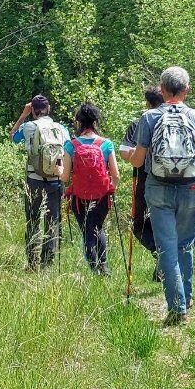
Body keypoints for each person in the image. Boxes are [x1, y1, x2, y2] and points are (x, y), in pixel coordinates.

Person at [126, 67, 195, 325]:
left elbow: (140, 160)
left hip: (158, 187)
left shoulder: (150, 117)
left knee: (166, 246)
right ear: (186, 90)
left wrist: (128, 154)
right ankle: (186, 297)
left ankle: (177, 308)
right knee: (185, 243)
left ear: (162, 90)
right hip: (189, 188)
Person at [10, 94, 69, 271]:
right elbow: (68, 150)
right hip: (55, 180)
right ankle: (47, 264)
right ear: (49, 109)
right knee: (52, 222)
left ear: (33, 110)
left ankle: (32, 262)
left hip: (34, 180)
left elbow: (13, 136)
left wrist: (23, 115)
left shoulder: (29, 126)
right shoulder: (60, 128)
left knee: (33, 220)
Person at [60, 102, 120, 275]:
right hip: (101, 196)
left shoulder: (71, 146)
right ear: (95, 122)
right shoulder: (106, 144)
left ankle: (95, 269)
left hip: (79, 197)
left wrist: (58, 171)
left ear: (79, 123)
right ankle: (104, 266)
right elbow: (116, 175)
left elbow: (65, 177)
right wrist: (110, 189)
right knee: (97, 228)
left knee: (87, 230)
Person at [118, 86, 163, 278]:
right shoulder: (180, 120)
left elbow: (123, 152)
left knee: (137, 223)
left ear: (147, 102)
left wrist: (138, 155)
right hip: (176, 179)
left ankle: (161, 254)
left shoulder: (139, 122)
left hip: (144, 177)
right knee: (165, 221)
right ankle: (166, 259)